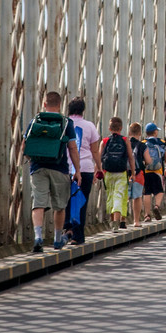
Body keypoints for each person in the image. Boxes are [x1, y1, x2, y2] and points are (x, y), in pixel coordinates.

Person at [25, 91, 80, 252]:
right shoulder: (66, 122)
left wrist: (31, 160)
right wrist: (78, 170)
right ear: (60, 104)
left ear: (44, 104)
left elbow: (24, 145)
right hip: (59, 168)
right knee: (60, 206)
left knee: (38, 203)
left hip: (38, 168)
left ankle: (38, 237)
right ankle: (57, 239)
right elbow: (72, 148)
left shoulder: (35, 121)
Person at [64, 98, 101, 246]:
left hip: (66, 168)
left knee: (66, 201)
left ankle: (67, 229)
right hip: (85, 168)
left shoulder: (64, 124)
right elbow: (95, 150)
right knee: (81, 201)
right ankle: (77, 236)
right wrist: (98, 167)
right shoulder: (89, 126)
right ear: (83, 110)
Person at [101, 117, 133, 232]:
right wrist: (133, 172)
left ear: (109, 129)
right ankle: (116, 221)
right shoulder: (125, 140)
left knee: (110, 196)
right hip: (121, 172)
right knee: (119, 196)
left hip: (108, 173)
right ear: (121, 128)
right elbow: (130, 158)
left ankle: (112, 221)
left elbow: (99, 158)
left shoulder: (104, 141)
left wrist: (97, 172)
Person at [141, 122, 166, 221]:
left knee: (147, 192)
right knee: (160, 191)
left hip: (146, 171)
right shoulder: (161, 142)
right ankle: (157, 206)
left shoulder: (143, 142)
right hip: (158, 171)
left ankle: (147, 215)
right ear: (155, 132)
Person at [128, 122, 146, 227]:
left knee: (123, 196)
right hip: (138, 173)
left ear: (129, 132)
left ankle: (122, 220)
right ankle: (136, 221)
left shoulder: (125, 143)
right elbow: (148, 159)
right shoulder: (142, 145)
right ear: (140, 133)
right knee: (137, 197)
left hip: (125, 172)